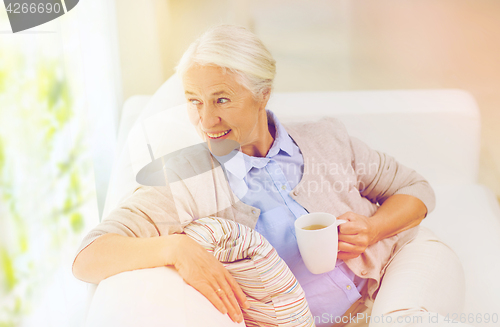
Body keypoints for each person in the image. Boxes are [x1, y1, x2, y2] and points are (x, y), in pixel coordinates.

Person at [73, 25, 469, 327]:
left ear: (262, 93)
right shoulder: (184, 180)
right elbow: (89, 256)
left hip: (398, 264)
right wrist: (174, 250)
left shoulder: (324, 137)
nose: (205, 119)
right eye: (194, 101)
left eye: (222, 99)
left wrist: (374, 228)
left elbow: (416, 190)